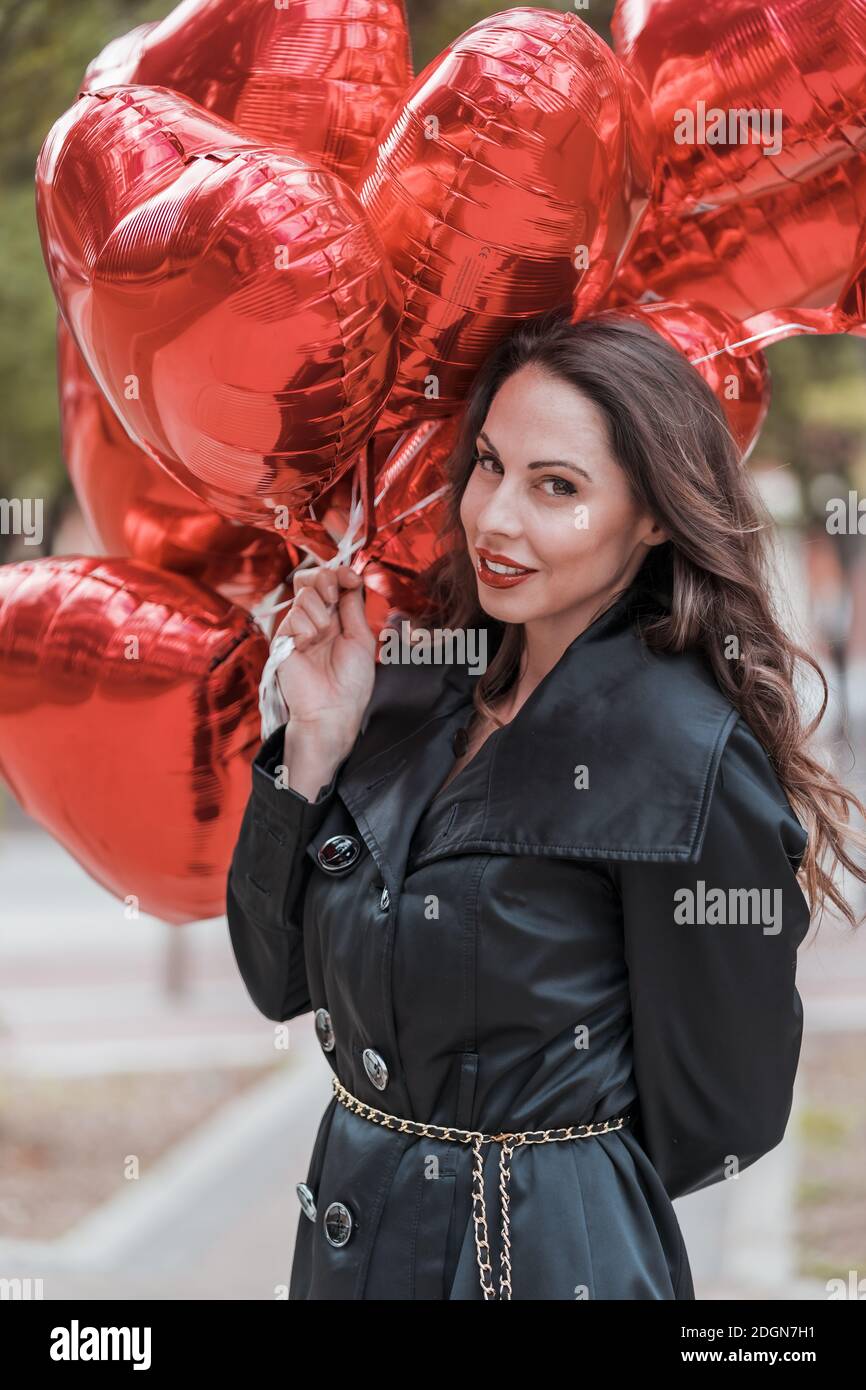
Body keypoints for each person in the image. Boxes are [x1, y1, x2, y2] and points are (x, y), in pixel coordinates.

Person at [226, 307, 866, 1301]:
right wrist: (314, 737)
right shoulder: (405, 697)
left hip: (538, 1260)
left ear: (652, 514)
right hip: (350, 1248)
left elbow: (721, 1114)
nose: (494, 519)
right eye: (488, 465)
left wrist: (539, 1170)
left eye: (555, 487)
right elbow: (277, 979)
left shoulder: (682, 754)